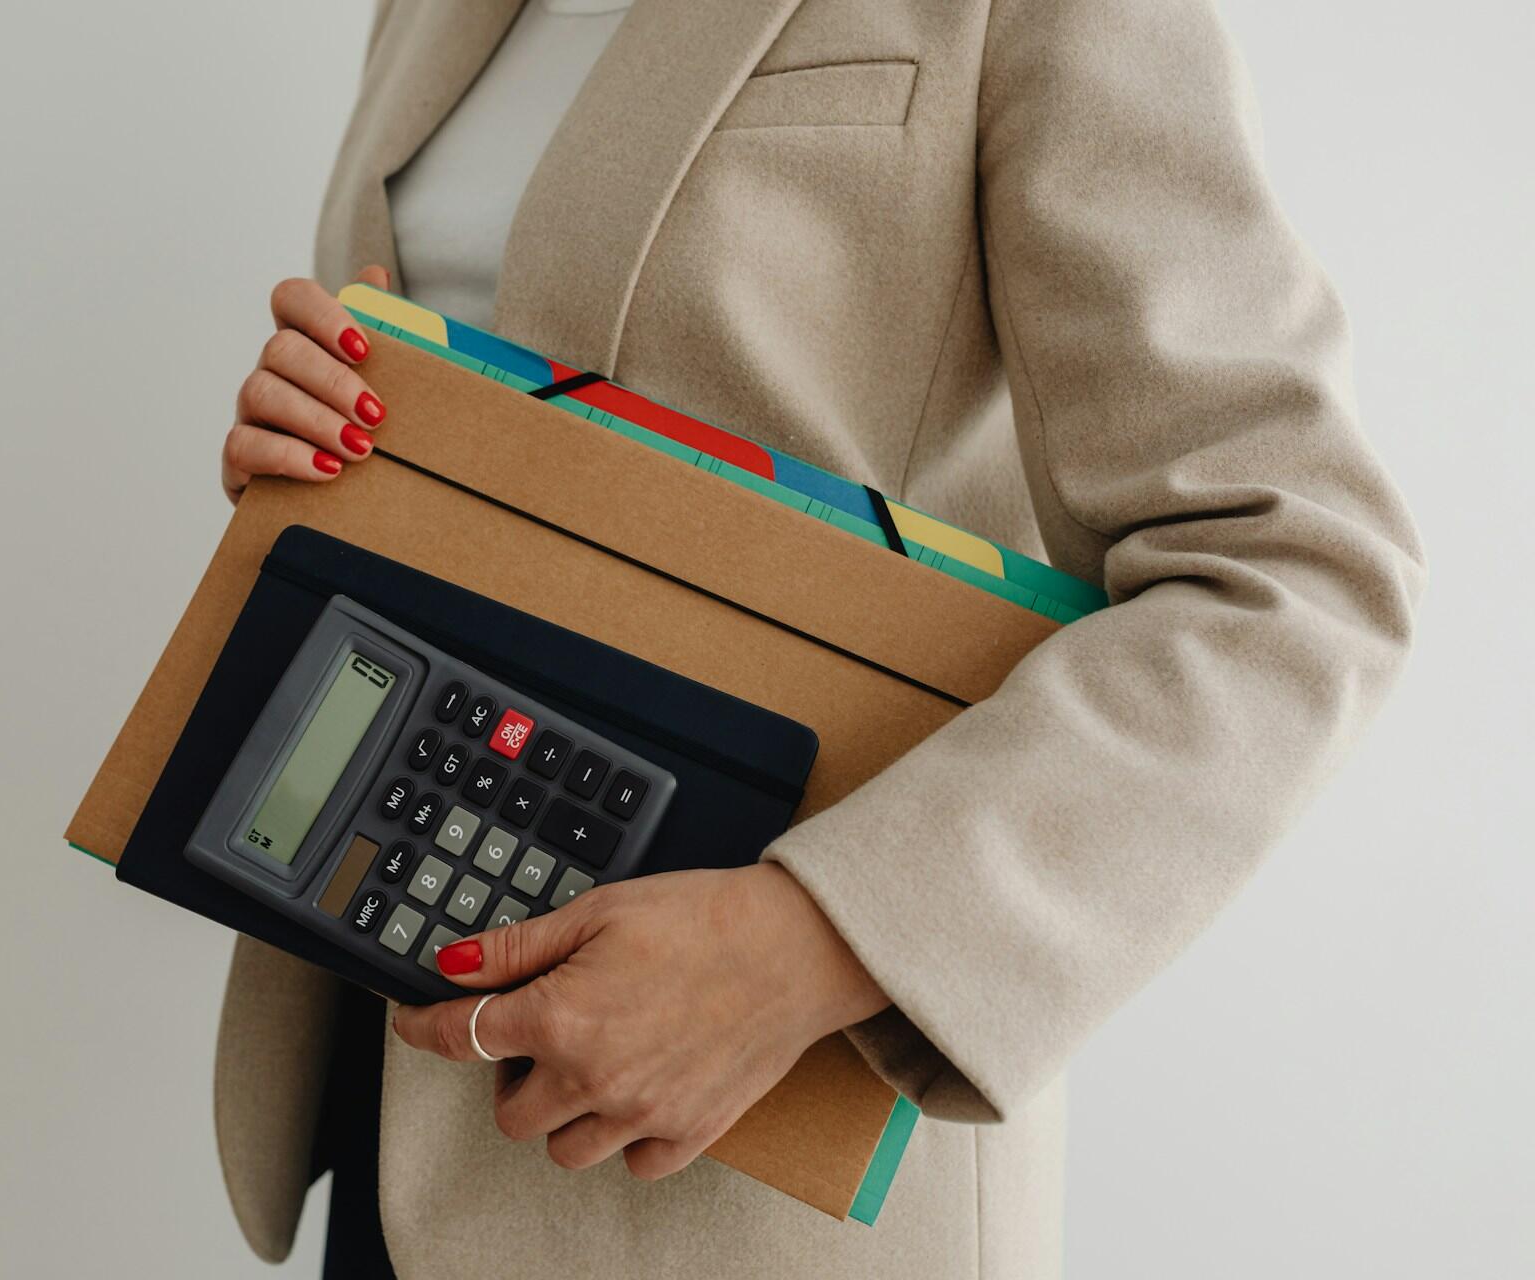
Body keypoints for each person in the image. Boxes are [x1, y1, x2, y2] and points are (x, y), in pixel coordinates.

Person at [215, 1, 1424, 1276]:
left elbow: (1294, 566)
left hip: (746, 1168)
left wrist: (813, 941)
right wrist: (325, 445)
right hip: (391, 1040)